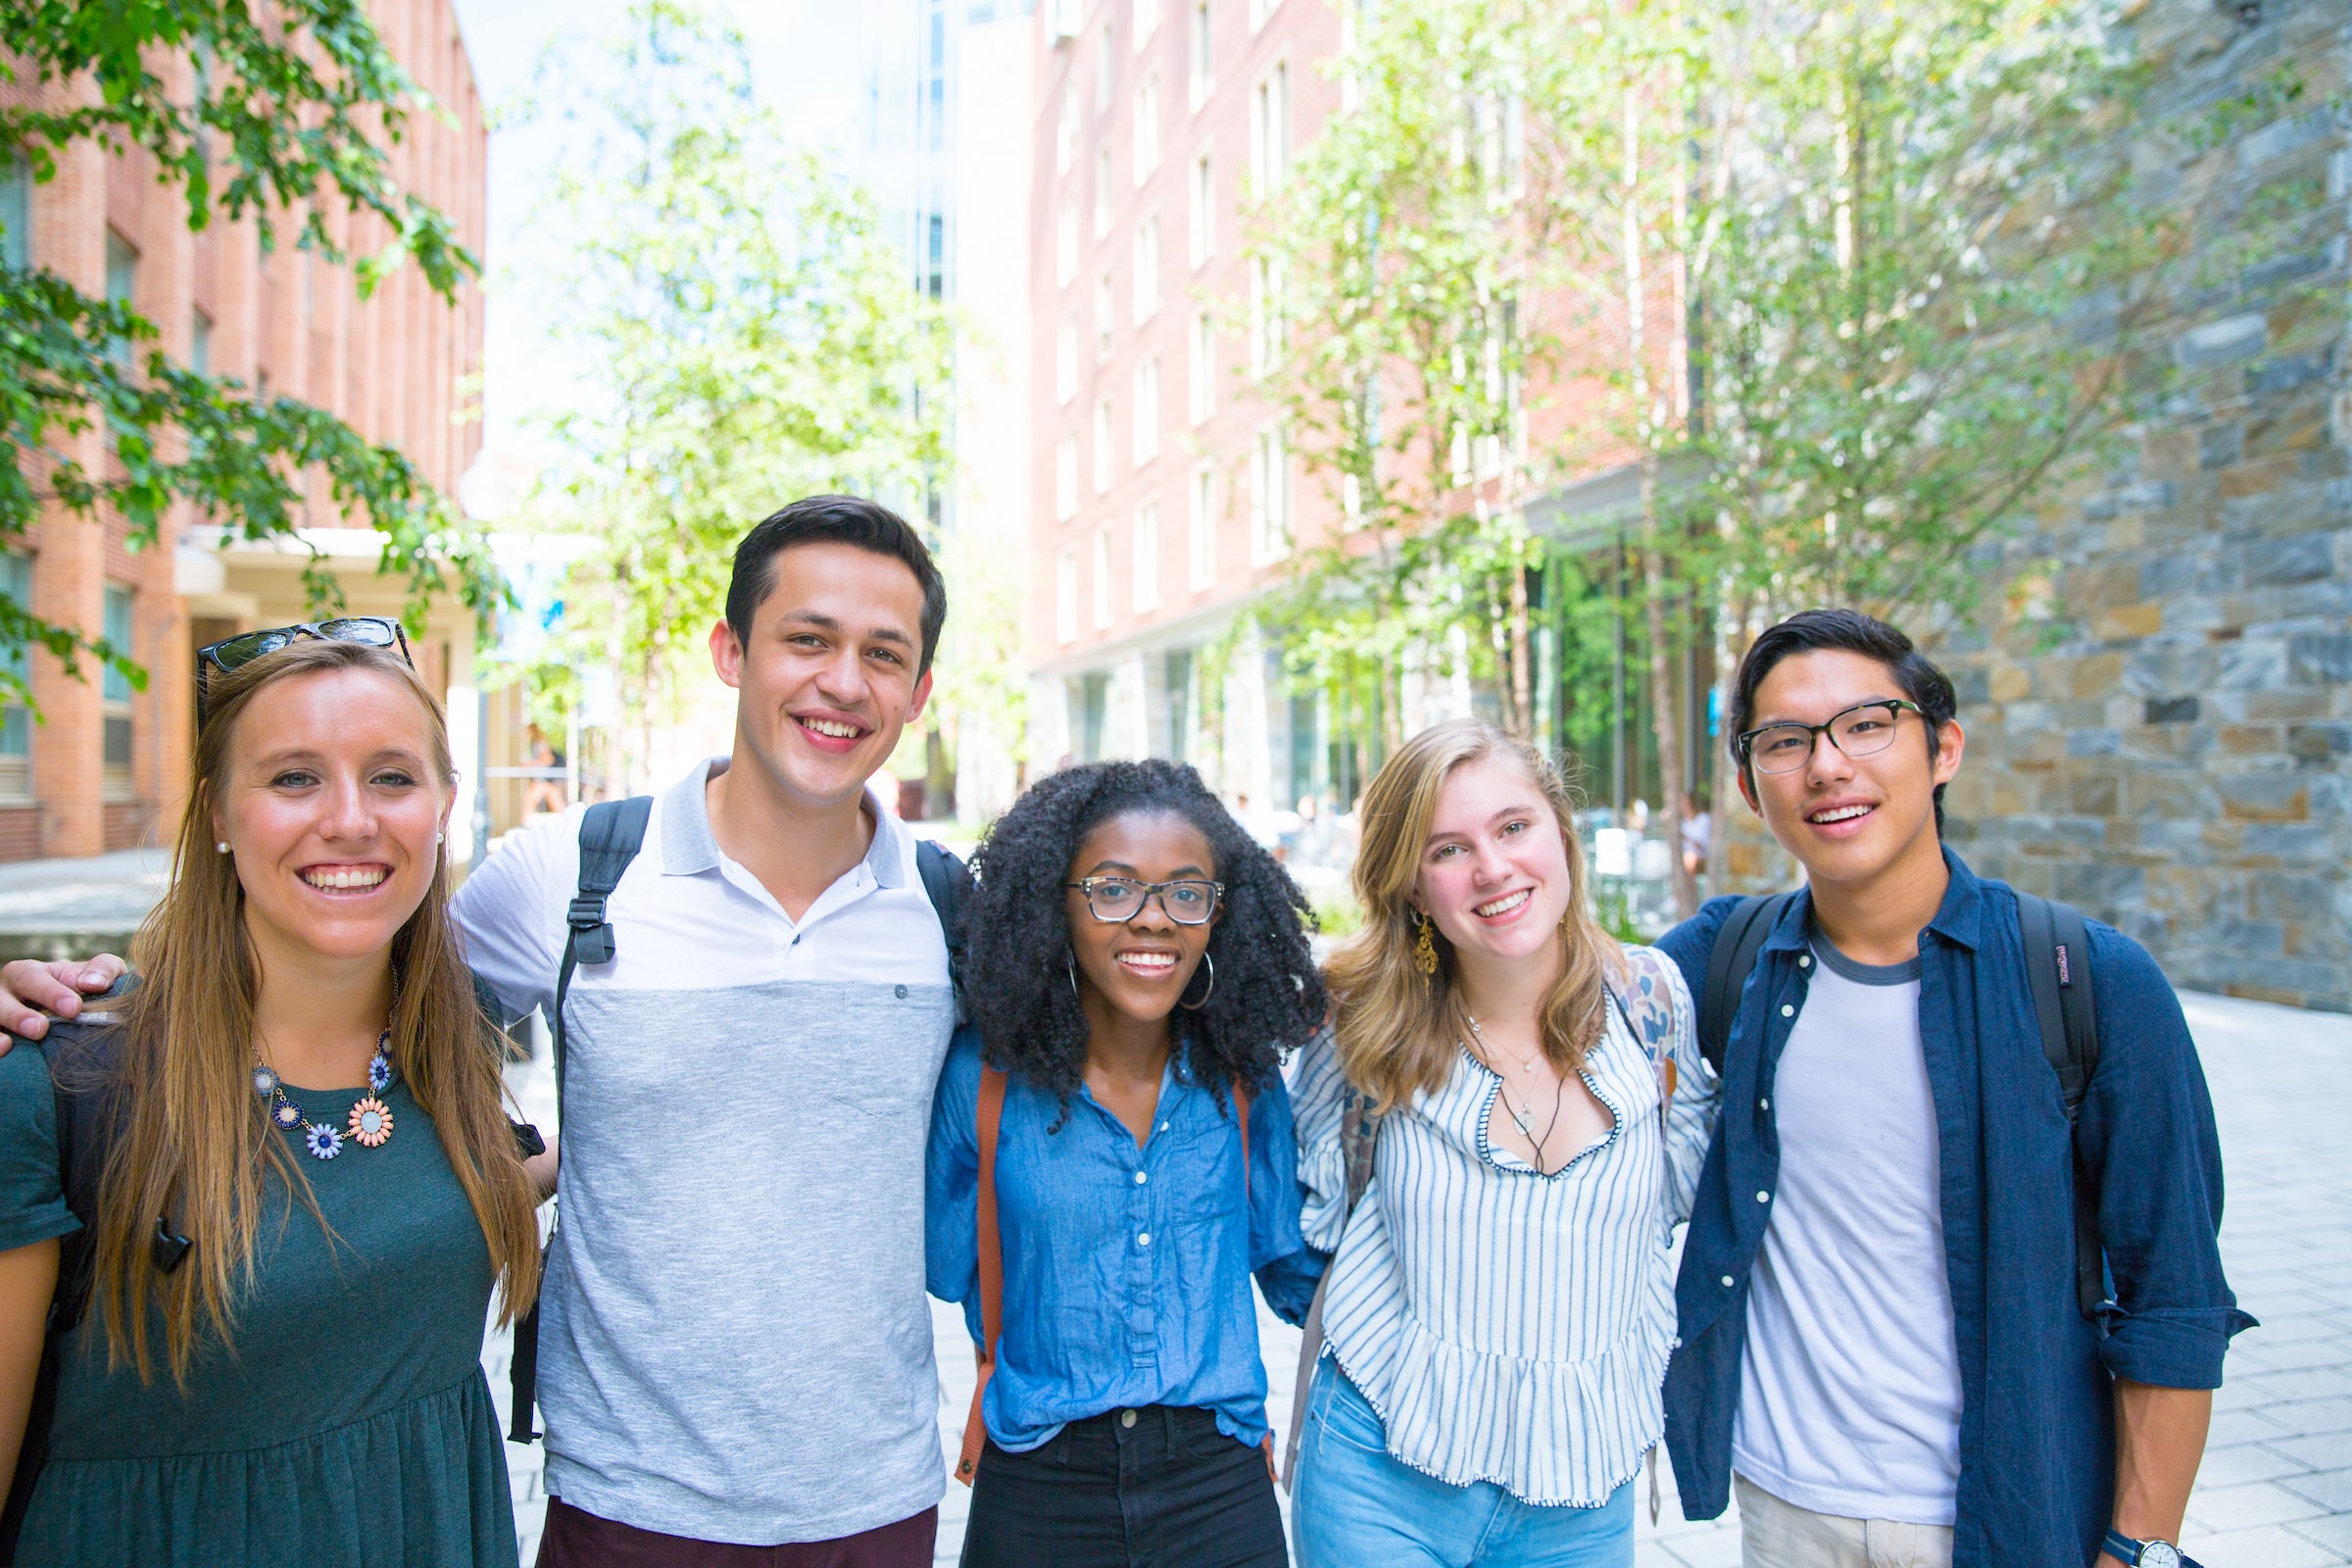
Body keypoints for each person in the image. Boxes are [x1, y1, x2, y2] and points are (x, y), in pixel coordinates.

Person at [0, 495, 961, 1565]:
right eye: (808, 638)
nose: (842, 681)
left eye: (883, 653)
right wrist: (86, 1005)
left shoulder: (952, 907)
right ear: (731, 650)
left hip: (879, 1495)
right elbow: (326, 966)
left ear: (919, 691)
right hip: (625, 1500)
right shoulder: (567, 871)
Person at [1656, 609, 2251, 1568]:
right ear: (1747, 784)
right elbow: (1546, 993)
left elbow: (2174, 1298)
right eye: (1786, 740)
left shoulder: (2088, 979)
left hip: (2009, 1515)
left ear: (1943, 748)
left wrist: (2138, 1548)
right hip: (1784, 1505)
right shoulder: (1725, 960)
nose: (1828, 765)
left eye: (1868, 723)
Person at [0, 631, 545, 1565]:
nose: (350, 819)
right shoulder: (66, 1083)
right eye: (294, 778)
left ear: (445, 807)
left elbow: (482, 1189)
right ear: (217, 812)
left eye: (391, 778)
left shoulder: (454, 1052)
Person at [1289, 717, 1718, 1568]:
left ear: (1561, 832)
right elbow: (1310, 1223)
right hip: (1380, 1475)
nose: (1492, 868)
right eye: (1447, 849)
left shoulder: (1655, 1003)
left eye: (1513, 827)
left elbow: (1680, 1211)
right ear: (1413, 886)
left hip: (1580, 1497)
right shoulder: (1364, 1024)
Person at [928, 760, 1327, 1567]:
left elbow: (1291, 1266)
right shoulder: (984, 1079)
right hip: (1038, 1484)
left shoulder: (1243, 1082)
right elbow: (950, 1264)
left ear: (1221, 914)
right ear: (1056, 905)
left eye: (1186, 893)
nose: (1153, 920)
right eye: (1113, 888)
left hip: (1217, 1484)